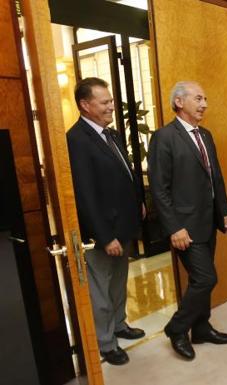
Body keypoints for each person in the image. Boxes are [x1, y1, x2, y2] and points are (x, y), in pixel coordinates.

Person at [148, 81, 227, 361]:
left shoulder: (205, 135)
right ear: (179, 102)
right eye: (198, 98)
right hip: (184, 225)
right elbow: (159, 189)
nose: (204, 103)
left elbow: (215, 177)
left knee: (202, 278)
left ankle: (201, 327)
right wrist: (174, 227)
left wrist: (224, 210)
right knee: (205, 278)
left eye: (205, 98)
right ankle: (177, 328)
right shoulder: (164, 137)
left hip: (208, 221)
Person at [67, 77, 145, 366]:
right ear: (85, 105)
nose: (112, 106)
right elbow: (84, 194)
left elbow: (124, 174)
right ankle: (106, 342)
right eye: (105, 102)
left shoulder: (109, 134)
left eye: (111, 101)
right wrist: (104, 236)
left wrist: (138, 203)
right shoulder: (76, 139)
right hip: (105, 232)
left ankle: (119, 324)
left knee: (118, 283)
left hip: (123, 224)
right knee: (100, 289)